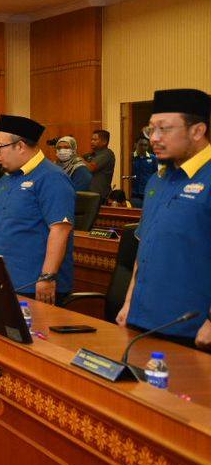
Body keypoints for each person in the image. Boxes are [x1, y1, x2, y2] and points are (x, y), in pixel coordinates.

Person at [116, 88, 211, 347]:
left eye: (164, 129)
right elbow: (145, 247)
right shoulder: (157, 180)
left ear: (197, 131)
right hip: (143, 319)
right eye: (151, 130)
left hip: (192, 328)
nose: (154, 139)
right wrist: (129, 302)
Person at [0, 114, 75, 304]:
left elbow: (60, 229)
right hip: (6, 279)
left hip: (34, 284)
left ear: (20, 146)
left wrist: (47, 276)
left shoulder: (52, 178)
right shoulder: (6, 179)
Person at [83, 130, 115, 197]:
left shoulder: (107, 154)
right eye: (91, 139)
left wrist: (77, 158)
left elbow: (91, 168)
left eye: (95, 140)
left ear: (104, 142)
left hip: (99, 195)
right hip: (87, 193)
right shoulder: (90, 155)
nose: (92, 142)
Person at [130, 137, 158, 207]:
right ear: (135, 145)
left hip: (148, 193)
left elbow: (156, 177)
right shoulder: (130, 157)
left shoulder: (153, 158)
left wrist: (153, 192)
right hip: (134, 194)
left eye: (145, 145)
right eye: (141, 145)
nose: (143, 147)